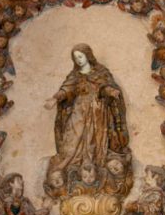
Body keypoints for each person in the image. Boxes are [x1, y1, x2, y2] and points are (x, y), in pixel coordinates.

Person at [44, 44, 129, 192]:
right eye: (75, 58)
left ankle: (91, 169)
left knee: (93, 139)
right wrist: (55, 99)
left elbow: (105, 85)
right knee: (73, 137)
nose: (78, 60)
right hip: (79, 110)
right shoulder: (74, 75)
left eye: (80, 56)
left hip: (97, 111)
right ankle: (72, 165)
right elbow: (66, 89)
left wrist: (111, 91)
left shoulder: (101, 71)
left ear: (88, 55)